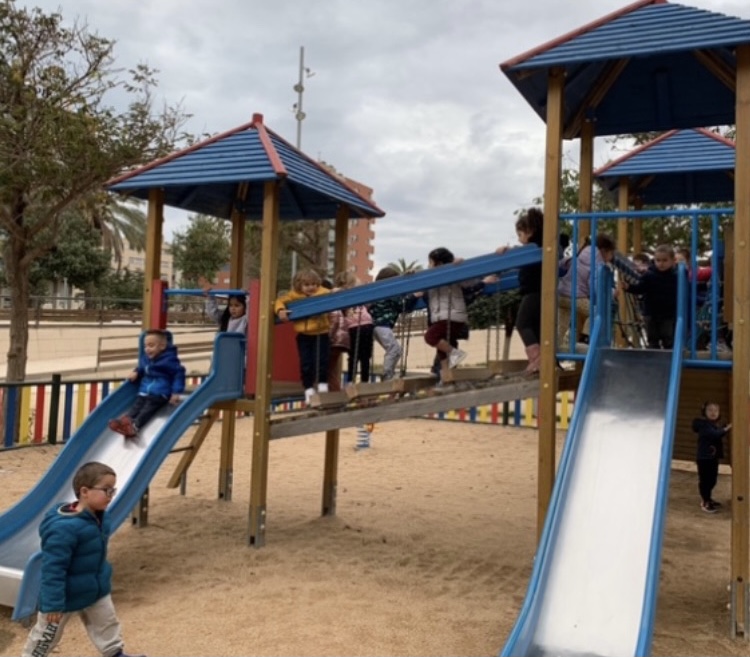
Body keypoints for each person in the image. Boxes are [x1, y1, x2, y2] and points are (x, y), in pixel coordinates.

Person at [22, 461, 144, 657]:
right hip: (65, 596)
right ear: (85, 491)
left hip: (94, 588)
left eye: (113, 490)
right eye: (106, 490)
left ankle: (115, 653)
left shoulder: (101, 517)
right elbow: (53, 569)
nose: (111, 495)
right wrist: (53, 604)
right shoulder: (63, 528)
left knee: (107, 623)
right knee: (46, 635)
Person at [108, 330, 186, 438]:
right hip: (144, 391)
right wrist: (136, 371)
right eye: (145, 346)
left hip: (159, 394)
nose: (147, 349)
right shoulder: (146, 359)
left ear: (162, 346)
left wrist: (176, 392)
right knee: (136, 407)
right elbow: (142, 368)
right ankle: (125, 422)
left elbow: (179, 374)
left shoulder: (169, 360)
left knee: (146, 410)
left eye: (151, 345)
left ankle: (135, 427)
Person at [496, 208, 544, 373]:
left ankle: (537, 360)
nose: (519, 238)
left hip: (533, 293)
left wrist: (506, 253)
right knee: (536, 328)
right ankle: (544, 361)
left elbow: (517, 259)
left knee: (523, 323)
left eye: (520, 234)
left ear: (529, 231)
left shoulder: (531, 250)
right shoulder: (541, 247)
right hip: (540, 293)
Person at [275, 269, 331, 405]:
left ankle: (323, 385)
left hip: (321, 333)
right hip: (304, 336)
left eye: (314, 284)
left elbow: (334, 294)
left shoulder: (322, 292)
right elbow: (280, 301)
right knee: (306, 363)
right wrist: (280, 310)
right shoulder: (294, 295)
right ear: (299, 285)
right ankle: (308, 389)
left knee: (322, 361)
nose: (311, 287)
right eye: (307, 285)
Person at [422, 247, 477, 380]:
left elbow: (470, 282)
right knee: (442, 348)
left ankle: (455, 353)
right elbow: (420, 287)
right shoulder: (430, 279)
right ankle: (446, 378)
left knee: (430, 337)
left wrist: (461, 267)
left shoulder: (453, 273)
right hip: (442, 317)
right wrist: (411, 275)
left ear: (439, 264)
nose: (428, 266)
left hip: (451, 316)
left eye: (430, 262)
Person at [557, 233, 616, 350]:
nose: (612, 257)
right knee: (596, 312)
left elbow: (564, 263)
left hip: (561, 294)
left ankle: (558, 345)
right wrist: (608, 295)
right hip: (576, 296)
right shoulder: (597, 260)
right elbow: (595, 284)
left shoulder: (582, 254)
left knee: (562, 323)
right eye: (611, 253)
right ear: (604, 251)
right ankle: (585, 338)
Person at [622, 244, 678, 349]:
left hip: (668, 314)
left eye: (665, 260)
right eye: (658, 260)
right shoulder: (649, 275)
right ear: (654, 260)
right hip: (651, 312)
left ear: (672, 261)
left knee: (668, 338)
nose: (661, 263)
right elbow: (641, 288)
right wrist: (629, 287)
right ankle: (653, 354)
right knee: (652, 338)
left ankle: (668, 355)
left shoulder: (675, 276)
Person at [368, 267, 419, 381]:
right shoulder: (389, 292)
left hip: (378, 326)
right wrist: (415, 295)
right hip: (382, 325)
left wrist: (407, 278)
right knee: (394, 349)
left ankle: (389, 372)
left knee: (396, 350)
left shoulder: (381, 290)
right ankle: (387, 374)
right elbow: (402, 304)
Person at [333, 271, 375, 384]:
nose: (358, 283)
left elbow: (369, 303)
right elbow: (336, 293)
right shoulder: (343, 294)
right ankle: (351, 381)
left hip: (367, 324)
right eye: (354, 282)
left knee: (365, 356)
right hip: (354, 326)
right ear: (347, 284)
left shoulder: (359, 294)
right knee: (354, 356)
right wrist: (342, 289)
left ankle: (364, 381)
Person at [692, 401, 731, 513]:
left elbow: (717, 433)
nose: (713, 413)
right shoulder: (703, 425)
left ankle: (708, 498)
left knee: (712, 480)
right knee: (706, 481)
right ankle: (705, 501)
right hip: (704, 458)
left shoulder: (713, 425)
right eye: (710, 410)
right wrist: (726, 429)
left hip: (712, 458)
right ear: (704, 412)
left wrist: (724, 428)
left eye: (716, 410)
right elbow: (715, 434)